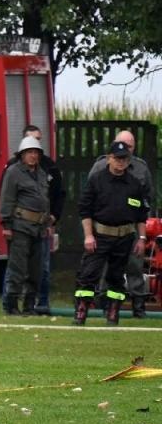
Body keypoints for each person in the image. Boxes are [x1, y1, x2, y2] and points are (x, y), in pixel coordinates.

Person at [74, 139, 151, 326]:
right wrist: (88, 235)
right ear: (109, 158)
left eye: (124, 159)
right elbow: (85, 210)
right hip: (100, 236)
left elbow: (141, 215)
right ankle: (81, 313)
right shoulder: (96, 180)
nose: (120, 162)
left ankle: (113, 314)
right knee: (88, 275)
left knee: (116, 278)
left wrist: (141, 239)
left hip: (124, 238)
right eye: (117, 158)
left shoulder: (134, 184)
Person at [0, 135, 53, 316]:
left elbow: (45, 200)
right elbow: (7, 198)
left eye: (36, 152)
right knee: (17, 268)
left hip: (39, 227)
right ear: (22, 154)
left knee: (35, 270)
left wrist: (46, 223)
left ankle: (30, 304)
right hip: (20, 226)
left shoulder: (42, 174)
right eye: (29, 152)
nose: (33, 156)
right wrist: (6, 224)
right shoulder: (13, 172)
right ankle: (11, 304)